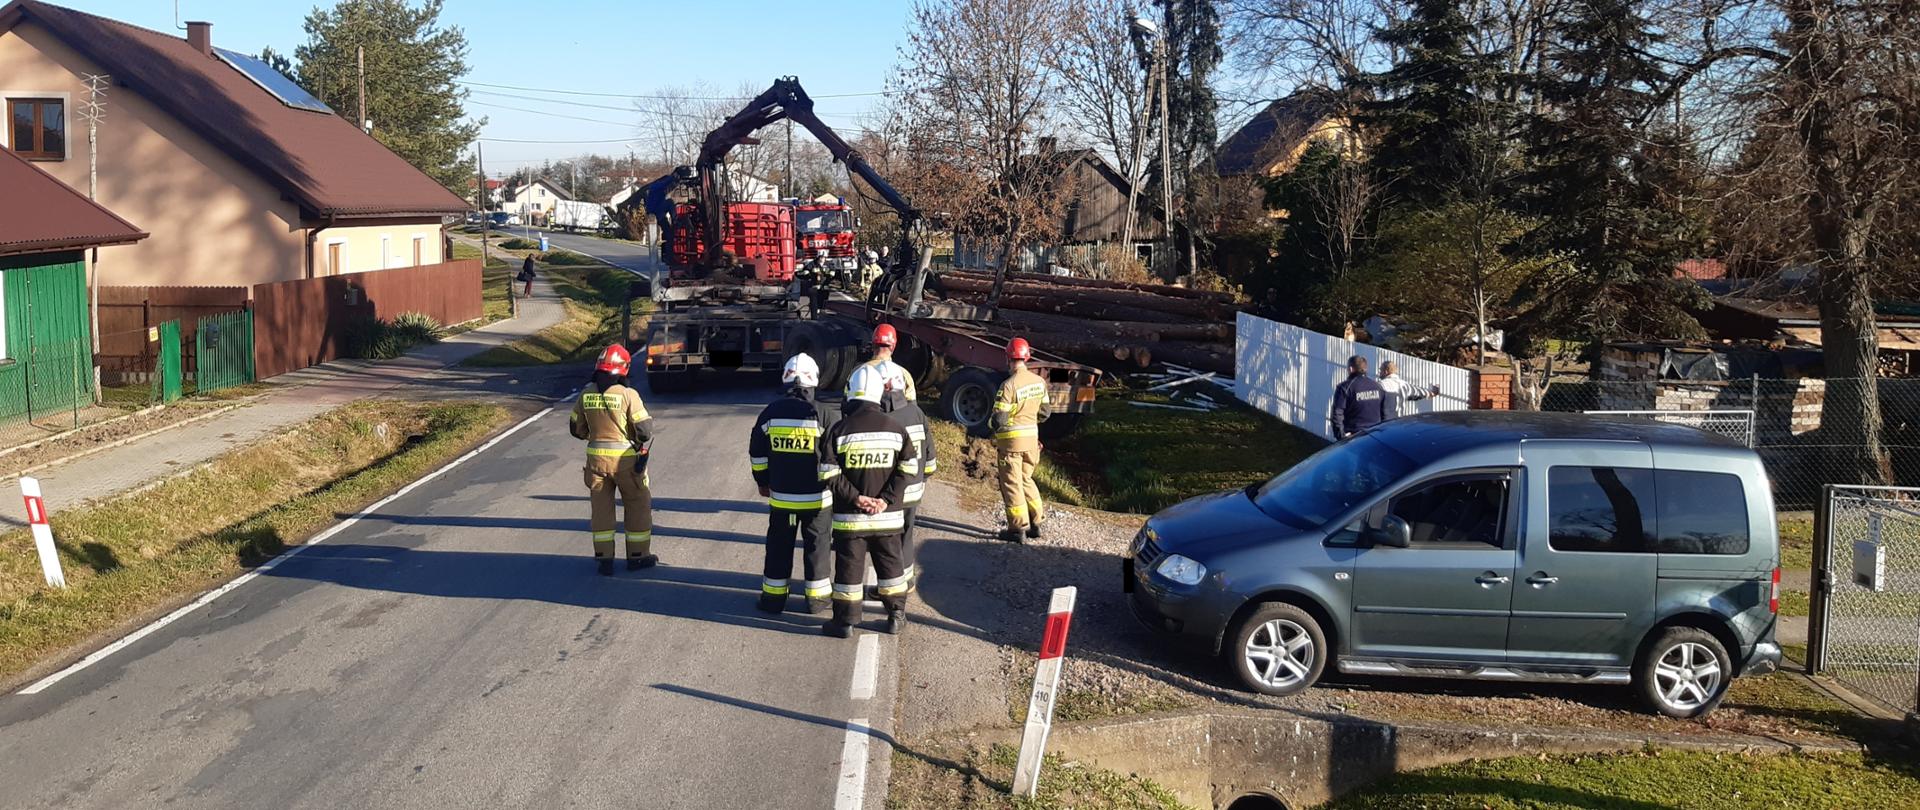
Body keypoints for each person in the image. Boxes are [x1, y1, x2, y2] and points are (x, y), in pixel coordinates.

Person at [819, 364, 917, 638]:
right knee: (892, 568)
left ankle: (845, 623)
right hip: (888, 518)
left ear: (850, 394)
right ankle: (896, 616)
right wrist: (885, 501)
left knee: (849, 572)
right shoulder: (897, 429)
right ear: (879, 395)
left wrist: (856, 498)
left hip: (851, 521)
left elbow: (827, 473)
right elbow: (908, 470)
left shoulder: (839, 430)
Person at [749, 354, 835, 614]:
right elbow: (834, 458)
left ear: (786, 378)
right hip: (818, 500)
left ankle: (773, 600)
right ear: (814, 380)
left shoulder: (770, 413)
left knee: (778, 548)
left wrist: (763, 482)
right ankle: (817, 601)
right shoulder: (825, 415)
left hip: (782, 500)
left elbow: (757, 455)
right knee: (817, 548)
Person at [569, 345, 656, 575]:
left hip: (596, 463)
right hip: (626, 463)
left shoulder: (586, 394)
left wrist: (594, 435)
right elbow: (645, 431)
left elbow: (575, 429)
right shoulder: (628, 395)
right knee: (637, 505)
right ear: (622, 369)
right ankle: (637, 556)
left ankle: (604, 559)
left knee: (601, 510)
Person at [991, 337, 1050, 543]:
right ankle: (1037, 522)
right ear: (1028, 357)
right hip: (1032, 442)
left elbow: (999, 419)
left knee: (1012, 484)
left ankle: (1018, 529)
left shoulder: (1008, 385)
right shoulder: (1039, 382)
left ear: (1008, 357)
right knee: (1027, 480)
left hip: (1011, 445)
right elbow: (1045, 413)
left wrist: (992, 430)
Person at [877, 382, 936, 584]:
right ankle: (907, 581)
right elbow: (929, 455)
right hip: (914, 489)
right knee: (907, 536)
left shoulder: (881, 417)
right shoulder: (917, 412)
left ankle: (890, 587)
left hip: (892, 492)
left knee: (888, 540)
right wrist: (923, 479)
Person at [851, 324, 916, 401]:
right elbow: (911, 404)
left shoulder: (858, 372)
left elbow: (849, 400)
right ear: (893, 346)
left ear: (873, 345)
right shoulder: (904, 374)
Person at [1329, 355, 1389, 439]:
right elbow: (1385, 413)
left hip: (1354, 437)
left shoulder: (1345, 387)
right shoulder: (1377, 386)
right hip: (1375, 434)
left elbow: (1337, 413)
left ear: (1350, 369)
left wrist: (1341, 436)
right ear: (1365, 369)